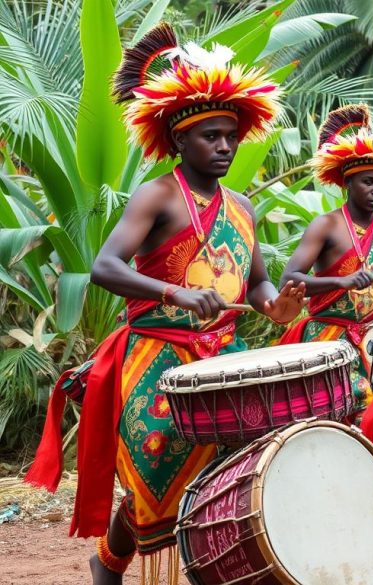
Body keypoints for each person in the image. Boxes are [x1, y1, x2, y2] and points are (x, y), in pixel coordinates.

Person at [25, 24, 304, 585]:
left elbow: (257, 286)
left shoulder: (243, 207)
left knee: (235, 475)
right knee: (156, 476)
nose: (224, 146)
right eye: (210, 137)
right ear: (179, 139)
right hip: (156, 356)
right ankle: (110, 561)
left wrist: (277, 307)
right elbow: (105, 267)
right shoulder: (157, 194)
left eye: (230, 135)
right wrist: (172, 292)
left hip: (224, 354)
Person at [276, 104, 373, 482]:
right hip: (326, 339)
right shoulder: (326, 225)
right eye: (368, 182)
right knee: (331, 424)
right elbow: (290, 278)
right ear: (347, 182)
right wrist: (338, 282)